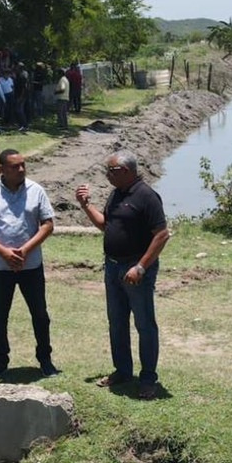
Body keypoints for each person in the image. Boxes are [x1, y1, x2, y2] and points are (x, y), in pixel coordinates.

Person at [75, 151, 171, 399]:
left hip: (136, 269)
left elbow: (161, 234)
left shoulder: (146, 196)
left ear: (126, 171)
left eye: (111, 171)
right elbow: (106, 225)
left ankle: (148, 379)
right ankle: (123, 371)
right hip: (113, 267)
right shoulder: (116, 194)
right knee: (117, 322)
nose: (107, 175)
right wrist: (86, 205)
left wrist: (141, 266)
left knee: (144, 325)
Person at [0, 149, 60, 380]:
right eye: (15, 166)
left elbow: (47, 224)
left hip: (31, 265)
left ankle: (45, 360)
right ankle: (0, 362)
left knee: (40, 314)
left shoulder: (36, 190)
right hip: (0, 267)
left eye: (23, 165)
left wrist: (24, 250)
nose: (21, 170)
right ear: (1, 169)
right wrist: (3, 252)